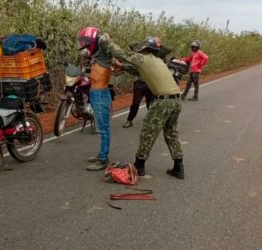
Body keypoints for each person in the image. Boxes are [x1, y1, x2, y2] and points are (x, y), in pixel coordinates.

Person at [102, 35, 185, 179]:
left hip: (163, 101)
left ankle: (139, 166)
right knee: (171, 133)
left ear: (144, 49)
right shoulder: (157, 61)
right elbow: (137, 71)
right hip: (176, 100)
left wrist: (107, 42)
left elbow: (123, 54)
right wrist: (122, 66)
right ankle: (179, 167)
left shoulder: (143, 58)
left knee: (148, 132)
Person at [77, 27, 113, 171]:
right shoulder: (97, 55)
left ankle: (103, 159)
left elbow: (106, 39)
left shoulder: (104, 53)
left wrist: (100, 36)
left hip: (100, 94)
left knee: (103, 129)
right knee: (101, 128)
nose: (84, 45)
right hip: (96, 93)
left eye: (86, 42)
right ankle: (102, 155)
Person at [122, 37, 171, 128]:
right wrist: (145, 43)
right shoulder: (142, 53)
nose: (157, 44)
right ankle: (129, 120)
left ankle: (151, 119)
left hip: (151, 83)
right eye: (155, 43)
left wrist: (157, 45)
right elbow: (131, 45)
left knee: (151, 103)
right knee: (135, 103)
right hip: (140, 82)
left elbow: (168, 49)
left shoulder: (159, 55)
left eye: (159, 43)